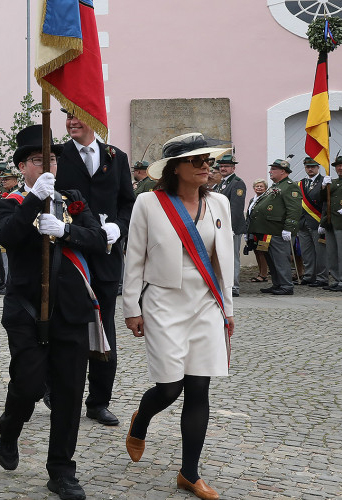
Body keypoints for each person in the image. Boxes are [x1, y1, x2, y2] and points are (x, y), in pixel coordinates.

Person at [0, 125, 108, 500]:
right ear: (24, 165)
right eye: (41, 159)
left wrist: (65, 230)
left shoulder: (71, 198)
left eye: (53, 158)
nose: (49, 165)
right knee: (27, 384)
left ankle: (61, 469)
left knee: (69, 393)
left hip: (71, 311)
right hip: (27, 309)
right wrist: (32, 202)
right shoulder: (9, 201)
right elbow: (7, 237)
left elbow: (98, 240)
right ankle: (10, 428)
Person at [122, 132, 234, 500]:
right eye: (197, 161)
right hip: (164, 302)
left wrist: (226, 311)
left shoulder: (219, 203)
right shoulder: (149, 204)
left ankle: (189, 472)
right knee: (170, 387)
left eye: (208, 161)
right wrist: (131, 307)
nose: (206, 167)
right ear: (175, 168)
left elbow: (225, 263)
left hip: (205, 302)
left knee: (200, 387)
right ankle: (142, 418)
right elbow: (134, 257)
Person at [54, 108, 135, 426]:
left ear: (96, 120)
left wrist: (119, 227)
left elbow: (127, 201)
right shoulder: (57, 156)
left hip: (106, 255)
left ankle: (99, 400)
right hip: (69, 253)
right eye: (68, 117)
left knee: (104, 329)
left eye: (78, 117)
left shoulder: (117, 157)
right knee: (63, 324)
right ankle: (55, 389)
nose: (72, 122)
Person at [247, 159, 302, 295]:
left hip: (278, 230)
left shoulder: (290, 186)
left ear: (283, 171)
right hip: (267, 230)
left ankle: (286, 286)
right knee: (271, 260)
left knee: (280, 259)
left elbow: (294, 209)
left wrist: (289, 228)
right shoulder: (275, 185)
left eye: (273, 169)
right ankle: (277, 284)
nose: (270, 171)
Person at [214, 154, 247, 297]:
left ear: (233, 168)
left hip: (231, 227)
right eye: (221, 166)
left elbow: (236, 208)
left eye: (226, 166)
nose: (223, 168)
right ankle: (224, 284)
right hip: (221, 227)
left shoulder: (237, 183)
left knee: (232, 257)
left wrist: (231, 228)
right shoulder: (222, 183)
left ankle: (233, 287)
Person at [297, 157, 327, 287]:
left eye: (313, 167)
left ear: (318, 167)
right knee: (306, 252)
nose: (310, 169)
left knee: (320, 252)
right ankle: (309, 276)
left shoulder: (324, 181)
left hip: (317, 221)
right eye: (308, 167)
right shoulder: (301, 183)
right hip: (303, 222)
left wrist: (324, 222)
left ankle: (322, 277)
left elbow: (326, 203)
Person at [320, 156, 342, 291]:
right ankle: (337, 278)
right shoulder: (332, 182)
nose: (340, 168)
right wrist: (323, 187)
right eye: (337, 166)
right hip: (331, 222)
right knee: (332, 253)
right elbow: (323, 200)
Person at [245, 179, 269, 282]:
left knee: (262, 251)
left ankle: (264, 274)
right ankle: (260, 272)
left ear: (265, 188)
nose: (259, 188)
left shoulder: (267, 198)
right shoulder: (252, 199)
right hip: (253, 229)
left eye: (261, 186)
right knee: (256, 251)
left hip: (263, 230)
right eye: (257, 186)